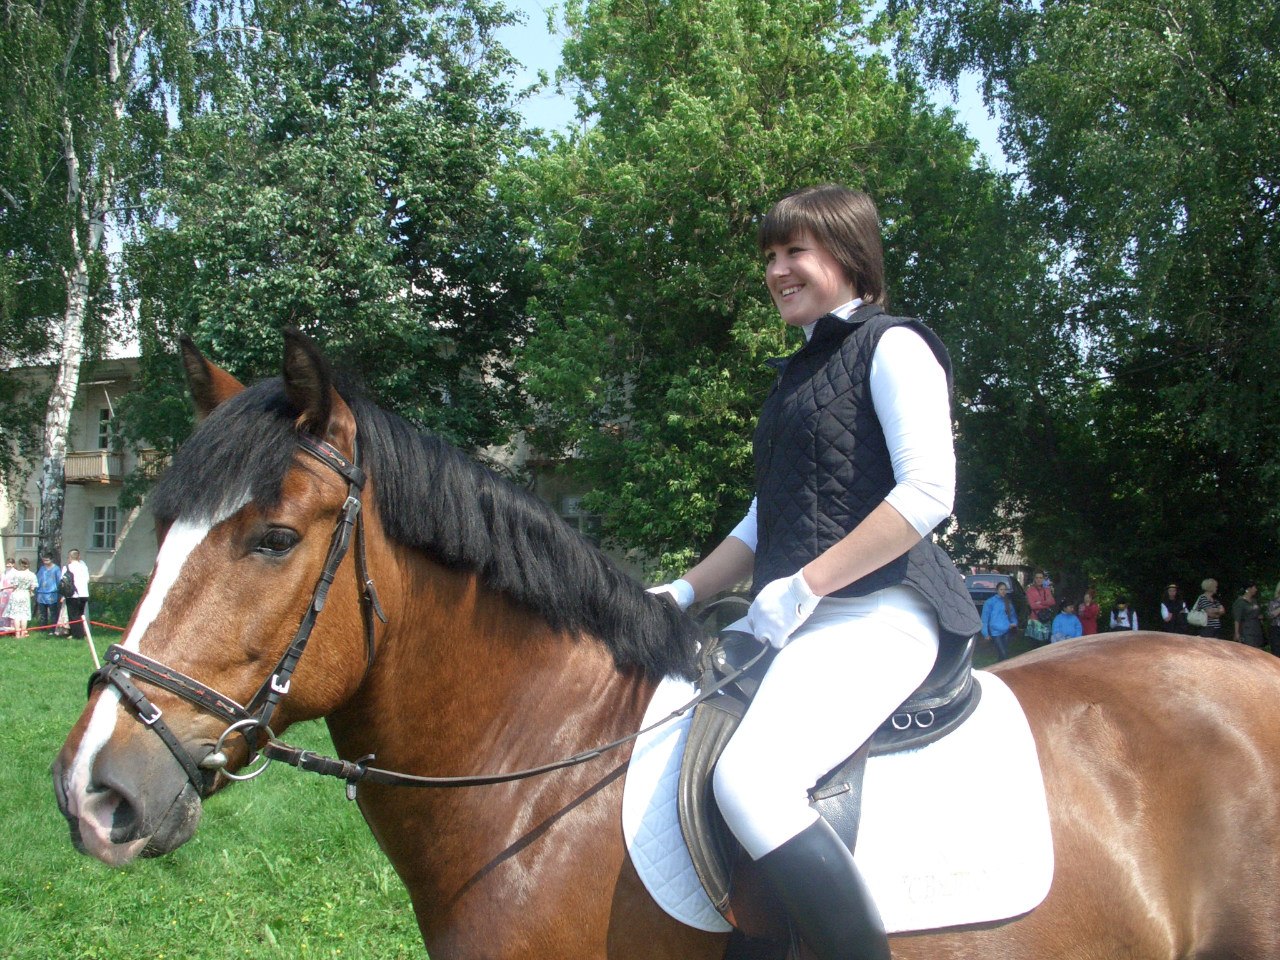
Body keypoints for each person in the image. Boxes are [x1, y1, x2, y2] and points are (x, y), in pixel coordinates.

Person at [647, 184, 979, 960]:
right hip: (807, 618)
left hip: (882, 609)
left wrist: (807, 584)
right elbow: (767, 520)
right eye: (769, 256)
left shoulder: (894, 345)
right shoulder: (797, 373)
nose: (776, 270)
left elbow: (929, 491)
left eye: (794, 251)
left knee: (752, 783)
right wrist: (685, 590)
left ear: (849, 254)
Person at [981, 581, 1019, 660]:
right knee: (1003, 653)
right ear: (997, 590)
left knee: (1003, 653)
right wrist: (985, 633)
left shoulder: (1007, 602)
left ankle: (1000, 669)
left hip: (1006, 631)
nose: (1003, 591)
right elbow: (984, 618)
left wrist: (1014, 623)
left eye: (1005, 589)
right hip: (995, 632)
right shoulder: (990, 602)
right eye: (1001, 589)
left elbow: (1013, 615)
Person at [5, 558, 38, 638]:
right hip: (25, 594)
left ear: (20, 564)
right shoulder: (32, 574)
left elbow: (15, 585)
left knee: (16, 616)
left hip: (17, 594)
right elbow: (33, 587)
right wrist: (29, 590)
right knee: (24, 615)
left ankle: (17, 634)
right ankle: (23, 634)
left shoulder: (17, 574)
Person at [65, 549, 90, 639]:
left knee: (73, 615)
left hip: (72, 594)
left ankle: (77, 635)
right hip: (84, 594)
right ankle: (82, 632)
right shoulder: (84, 567)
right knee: (81, 614)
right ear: (78, 557)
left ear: (70, 557)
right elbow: (87, 579)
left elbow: (63, 581)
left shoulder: (67, 567)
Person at [1232, 582, 1265, 648]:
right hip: (1246, 631)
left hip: (1256, 629)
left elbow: (1256, 613)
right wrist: (1236, 633)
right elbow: (1237, 619)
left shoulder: (1254, 601)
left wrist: (1260, 617)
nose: (1256, 589)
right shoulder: (1240, 602)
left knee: (1258, 649)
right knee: (1249, 649)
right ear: (1249, 589)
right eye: (1254, 587)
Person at [34, 554, 62, 632]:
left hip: (52, 594)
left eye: (47, 560)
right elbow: (38, 579)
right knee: (43, 613)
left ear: (51, 560)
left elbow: (59, 581)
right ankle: (42, 629)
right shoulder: (42, 568)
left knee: (53, 613)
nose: (45, 562)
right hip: (41, 593)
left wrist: (60, 592)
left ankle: (53, 629)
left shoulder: (56, 569)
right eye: (44, 560)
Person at [1026, 571, 1056, 638]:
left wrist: (1040, 602)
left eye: (1041, 578)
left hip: (1046, 618)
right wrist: (1046, 603)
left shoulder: (1047, 590)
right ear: (1034, 579)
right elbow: (1033, 606)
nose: (1039, 579)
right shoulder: (1030, 590)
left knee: (1045, 642)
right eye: (1037, 578)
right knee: (1035, 643)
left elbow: (1052, 602)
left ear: (1043, 579)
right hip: (1035, 619)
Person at [0, 558, 15, 631]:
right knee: (2, 609)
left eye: (9, 563)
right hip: (3, 593)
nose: (7, 565)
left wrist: (5, 587)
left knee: (10, 609)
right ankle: (3, 625)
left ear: (13, 564)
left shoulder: (15, 573)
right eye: (7, 563)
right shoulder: (4, 572)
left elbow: (15, 584)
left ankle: (11, 626)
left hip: (10, 592)